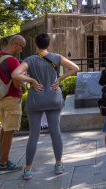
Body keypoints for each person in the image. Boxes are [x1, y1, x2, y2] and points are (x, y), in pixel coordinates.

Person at [11, 33, 79, 179]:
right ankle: (59, 165)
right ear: (48, 45)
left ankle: (28, 169)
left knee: (33, 135)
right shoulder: (57, 57)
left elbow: (15, 74)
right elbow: (75, 68)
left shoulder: (29, 60)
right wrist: (59, 78)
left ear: (35, 44)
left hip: (35, 100)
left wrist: (32, 81)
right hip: (53, 98)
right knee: (55, 132)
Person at [0, 35, 26, 175]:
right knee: (10, 130)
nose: (21, 50)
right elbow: (17, 82)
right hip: (12, 97)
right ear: (16, 45)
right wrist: (23, 78)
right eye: (21, 47)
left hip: (0, 97)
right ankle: (4, 164)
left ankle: (2, 157)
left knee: (4, 127)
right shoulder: (12, 61)